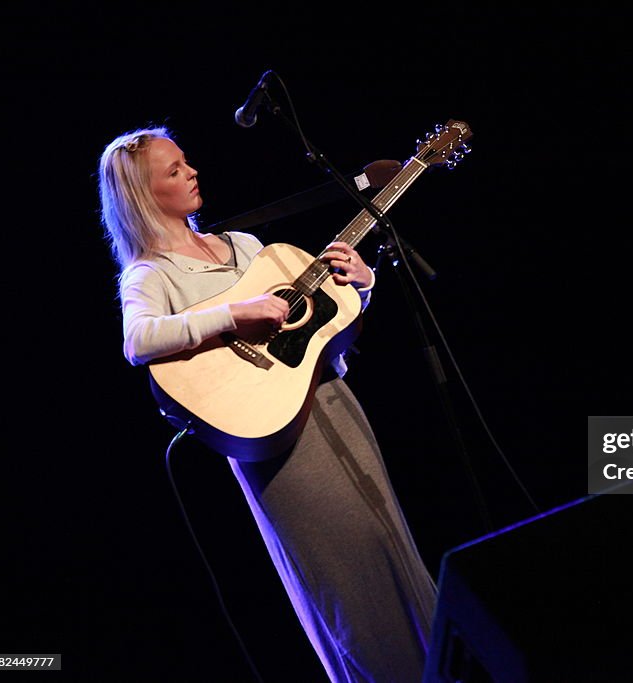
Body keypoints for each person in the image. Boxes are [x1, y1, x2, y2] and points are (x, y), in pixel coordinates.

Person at [98, 126, 437, 682]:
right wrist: (236, 314)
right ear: (141, 195)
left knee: (386, 536)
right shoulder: (149, 274)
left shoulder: (245, 246)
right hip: (271, 438)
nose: (192, 172)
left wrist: (363, 283)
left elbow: (316, 327)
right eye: (174, 170)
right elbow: (139, 341)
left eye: (187, 161)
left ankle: (440, 664)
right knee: (343, 573)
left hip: (330, 401)